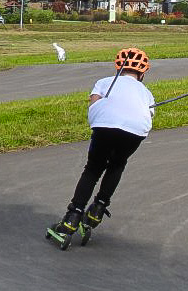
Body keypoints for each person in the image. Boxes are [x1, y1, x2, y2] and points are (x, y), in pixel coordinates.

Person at [49, 48, 155, 243]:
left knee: (93, 169)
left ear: (118, 68)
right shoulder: (146, 92)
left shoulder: (104, 82)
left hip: (104, 126)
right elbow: (149, 113)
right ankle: (97, 209)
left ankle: (72, 217)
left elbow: (94, 104)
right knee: (117, 164)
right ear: (142, 73)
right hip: (136, 131)